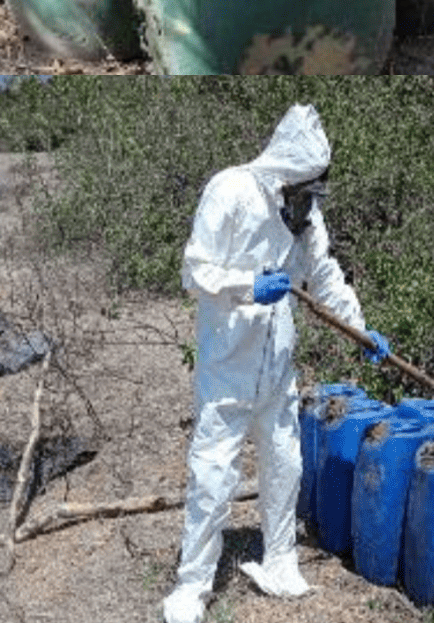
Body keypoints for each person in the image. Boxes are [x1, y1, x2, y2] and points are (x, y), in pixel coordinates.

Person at [163, 105, 389, 623]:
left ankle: (280, 560)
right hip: (228, 366)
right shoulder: (231, 190)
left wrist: (359, 328)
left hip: (277, 368)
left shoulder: (305, 211)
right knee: (214, 474)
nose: (307, 202)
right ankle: (192, 585)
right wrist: (248, 288)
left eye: (314, 193)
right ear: (284, 173)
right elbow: (194, 272)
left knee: (285, 464)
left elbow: (325, 274)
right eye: (302, 189)